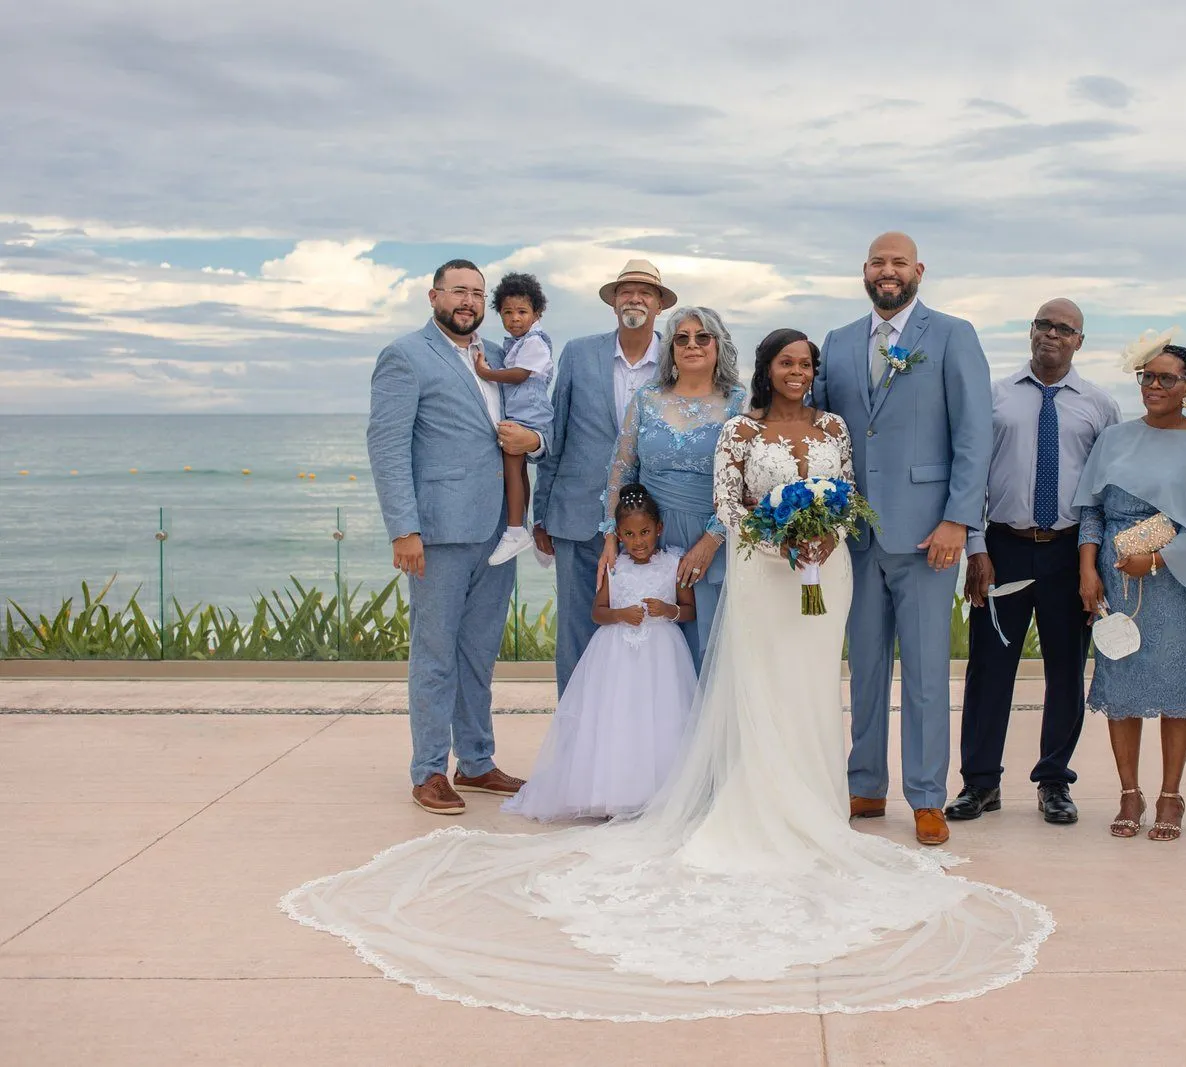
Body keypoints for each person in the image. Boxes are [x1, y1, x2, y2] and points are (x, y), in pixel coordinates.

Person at [281, 329, 1051, 1022]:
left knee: (817, 686)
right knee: (750, 680)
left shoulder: (834, 427)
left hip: (826, 573)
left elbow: (847, 492)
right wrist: (772, 539)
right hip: (764, 567)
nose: (797, 371)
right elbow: (729, 499)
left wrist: (825, 535)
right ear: (766, 368)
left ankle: (822, 798)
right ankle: (739, 795)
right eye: (785, 361)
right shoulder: (739, 426)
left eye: (806, 363)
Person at [813, 232, 992, 847]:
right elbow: (822, 430)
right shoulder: (838, 342)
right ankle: (865, 784)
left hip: (926, 535)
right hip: (854, 536)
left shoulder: (952, 335)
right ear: (864, 271)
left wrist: (958, 520)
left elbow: (974, 434)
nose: (887, 271)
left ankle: (926, 796)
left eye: (898, 263)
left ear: (918, 270)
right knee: (864, 669)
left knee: (924, 673)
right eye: (877, 262)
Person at [946, 299, 1119, 829]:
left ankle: (1054, 781)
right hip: (1004, 548)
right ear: (1030, 331)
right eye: (1044, 324)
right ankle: (980, 782)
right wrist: (977, 548)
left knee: (1066, 671)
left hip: (1071, 552)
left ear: (1079, 341)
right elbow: (971, 477)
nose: (1052, 334)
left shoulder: (1100, 406)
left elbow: (1105, 492)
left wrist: (1095, 565)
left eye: (1064, 329)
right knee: (988, 669)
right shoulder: (994, 399)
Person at [365, 259, 528, 814]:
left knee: (478, 654)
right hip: (437, 532)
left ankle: (477, 762)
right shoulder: (405, 356)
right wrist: (404, 529)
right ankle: (429, 770)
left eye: (478, 294)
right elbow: (388, 447)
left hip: (499, 530)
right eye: (458, 291)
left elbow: (524, 425)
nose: (468, 301)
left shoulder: (501, 357)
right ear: (434, 296)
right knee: (435, 654)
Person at [1074, 333, 1186, 841]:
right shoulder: (1113, 439)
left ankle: (1171, 794)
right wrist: (1088, 570)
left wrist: (1157, 558)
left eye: (1167, 378)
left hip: (1177, 581)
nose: (1154, 386)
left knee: (1177, 686)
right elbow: (1091, 511)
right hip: (1116, 577)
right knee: (1121, 683)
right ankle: (1129, 792)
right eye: (1147, 377)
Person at [502, 483, 697, 821]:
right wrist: (620, 615)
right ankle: (616, 792)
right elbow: (597, 612)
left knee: (659, 717)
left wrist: (668, 610)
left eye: (645, 532)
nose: (638, 541)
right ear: (618, 535)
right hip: (618, 657)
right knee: (619, 717)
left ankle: (657, 792)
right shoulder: (613, 567)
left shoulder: (673, 564)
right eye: (629, 534)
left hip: (662, 656)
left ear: (659, 529)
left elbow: (689, 610)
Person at [525, 259, 673, 695]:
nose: (635, 298)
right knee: (576, 631)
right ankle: (573, 732)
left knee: (648, 638)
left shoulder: (677, 358)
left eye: (645, 292)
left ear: (659, 305)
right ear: (613, 302)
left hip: (650, 522)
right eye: (626, 291)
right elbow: (557, 432)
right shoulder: (578, 353)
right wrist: (541, 512)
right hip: (577, 516)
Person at [595, 306, 747, 667]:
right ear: (671, 349)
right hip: (650, 535)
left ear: (719, 345)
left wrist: (712, 540)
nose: (692, 344)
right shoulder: (646, 399)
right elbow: (621, 470)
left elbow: (746, 482)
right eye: (682, 338)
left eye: (702, 337)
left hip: (712, 537)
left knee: (711, 647)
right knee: (650, 648)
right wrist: (612, 537)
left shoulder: (738, 402)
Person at [477, 272, 554, 566]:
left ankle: (514, 530)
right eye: (507, 313)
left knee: (512, 467)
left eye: (522, 312)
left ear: (537, 313)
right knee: (518, 471)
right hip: (523, 413)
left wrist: (486, 373)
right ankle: (521, 525)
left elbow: (520, 375)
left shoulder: (535, 341)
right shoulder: (519, 342)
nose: (514, 319)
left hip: (528, 414)